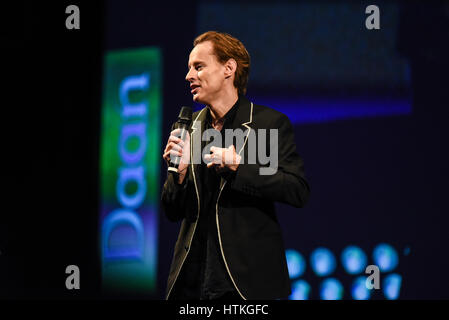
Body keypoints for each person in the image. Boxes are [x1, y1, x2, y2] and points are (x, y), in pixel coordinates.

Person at [161, 31, 310, 300]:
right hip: (192, 281)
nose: (188, 76)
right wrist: (179, 176)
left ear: (229, 68)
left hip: (244, 282)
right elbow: (172, 211)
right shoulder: (189, 129)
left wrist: (240, 168)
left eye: (199, 66)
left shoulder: (266, 125)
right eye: (188, 68)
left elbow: (296, 190)